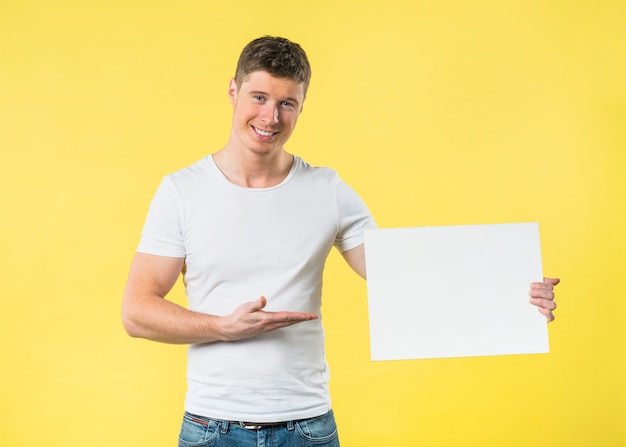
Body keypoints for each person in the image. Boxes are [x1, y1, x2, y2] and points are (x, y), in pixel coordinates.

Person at [122, 36, 559, 447]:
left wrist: (513, 291)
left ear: (301, 106)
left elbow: (406, 275)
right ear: (233, 91)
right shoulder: (181, 191)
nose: (271, 118)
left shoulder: (326, 190)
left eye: (286, 103)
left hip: (307, 427)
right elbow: (137, 312)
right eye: (259, 98)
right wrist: (223, 327)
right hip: (211, 427)